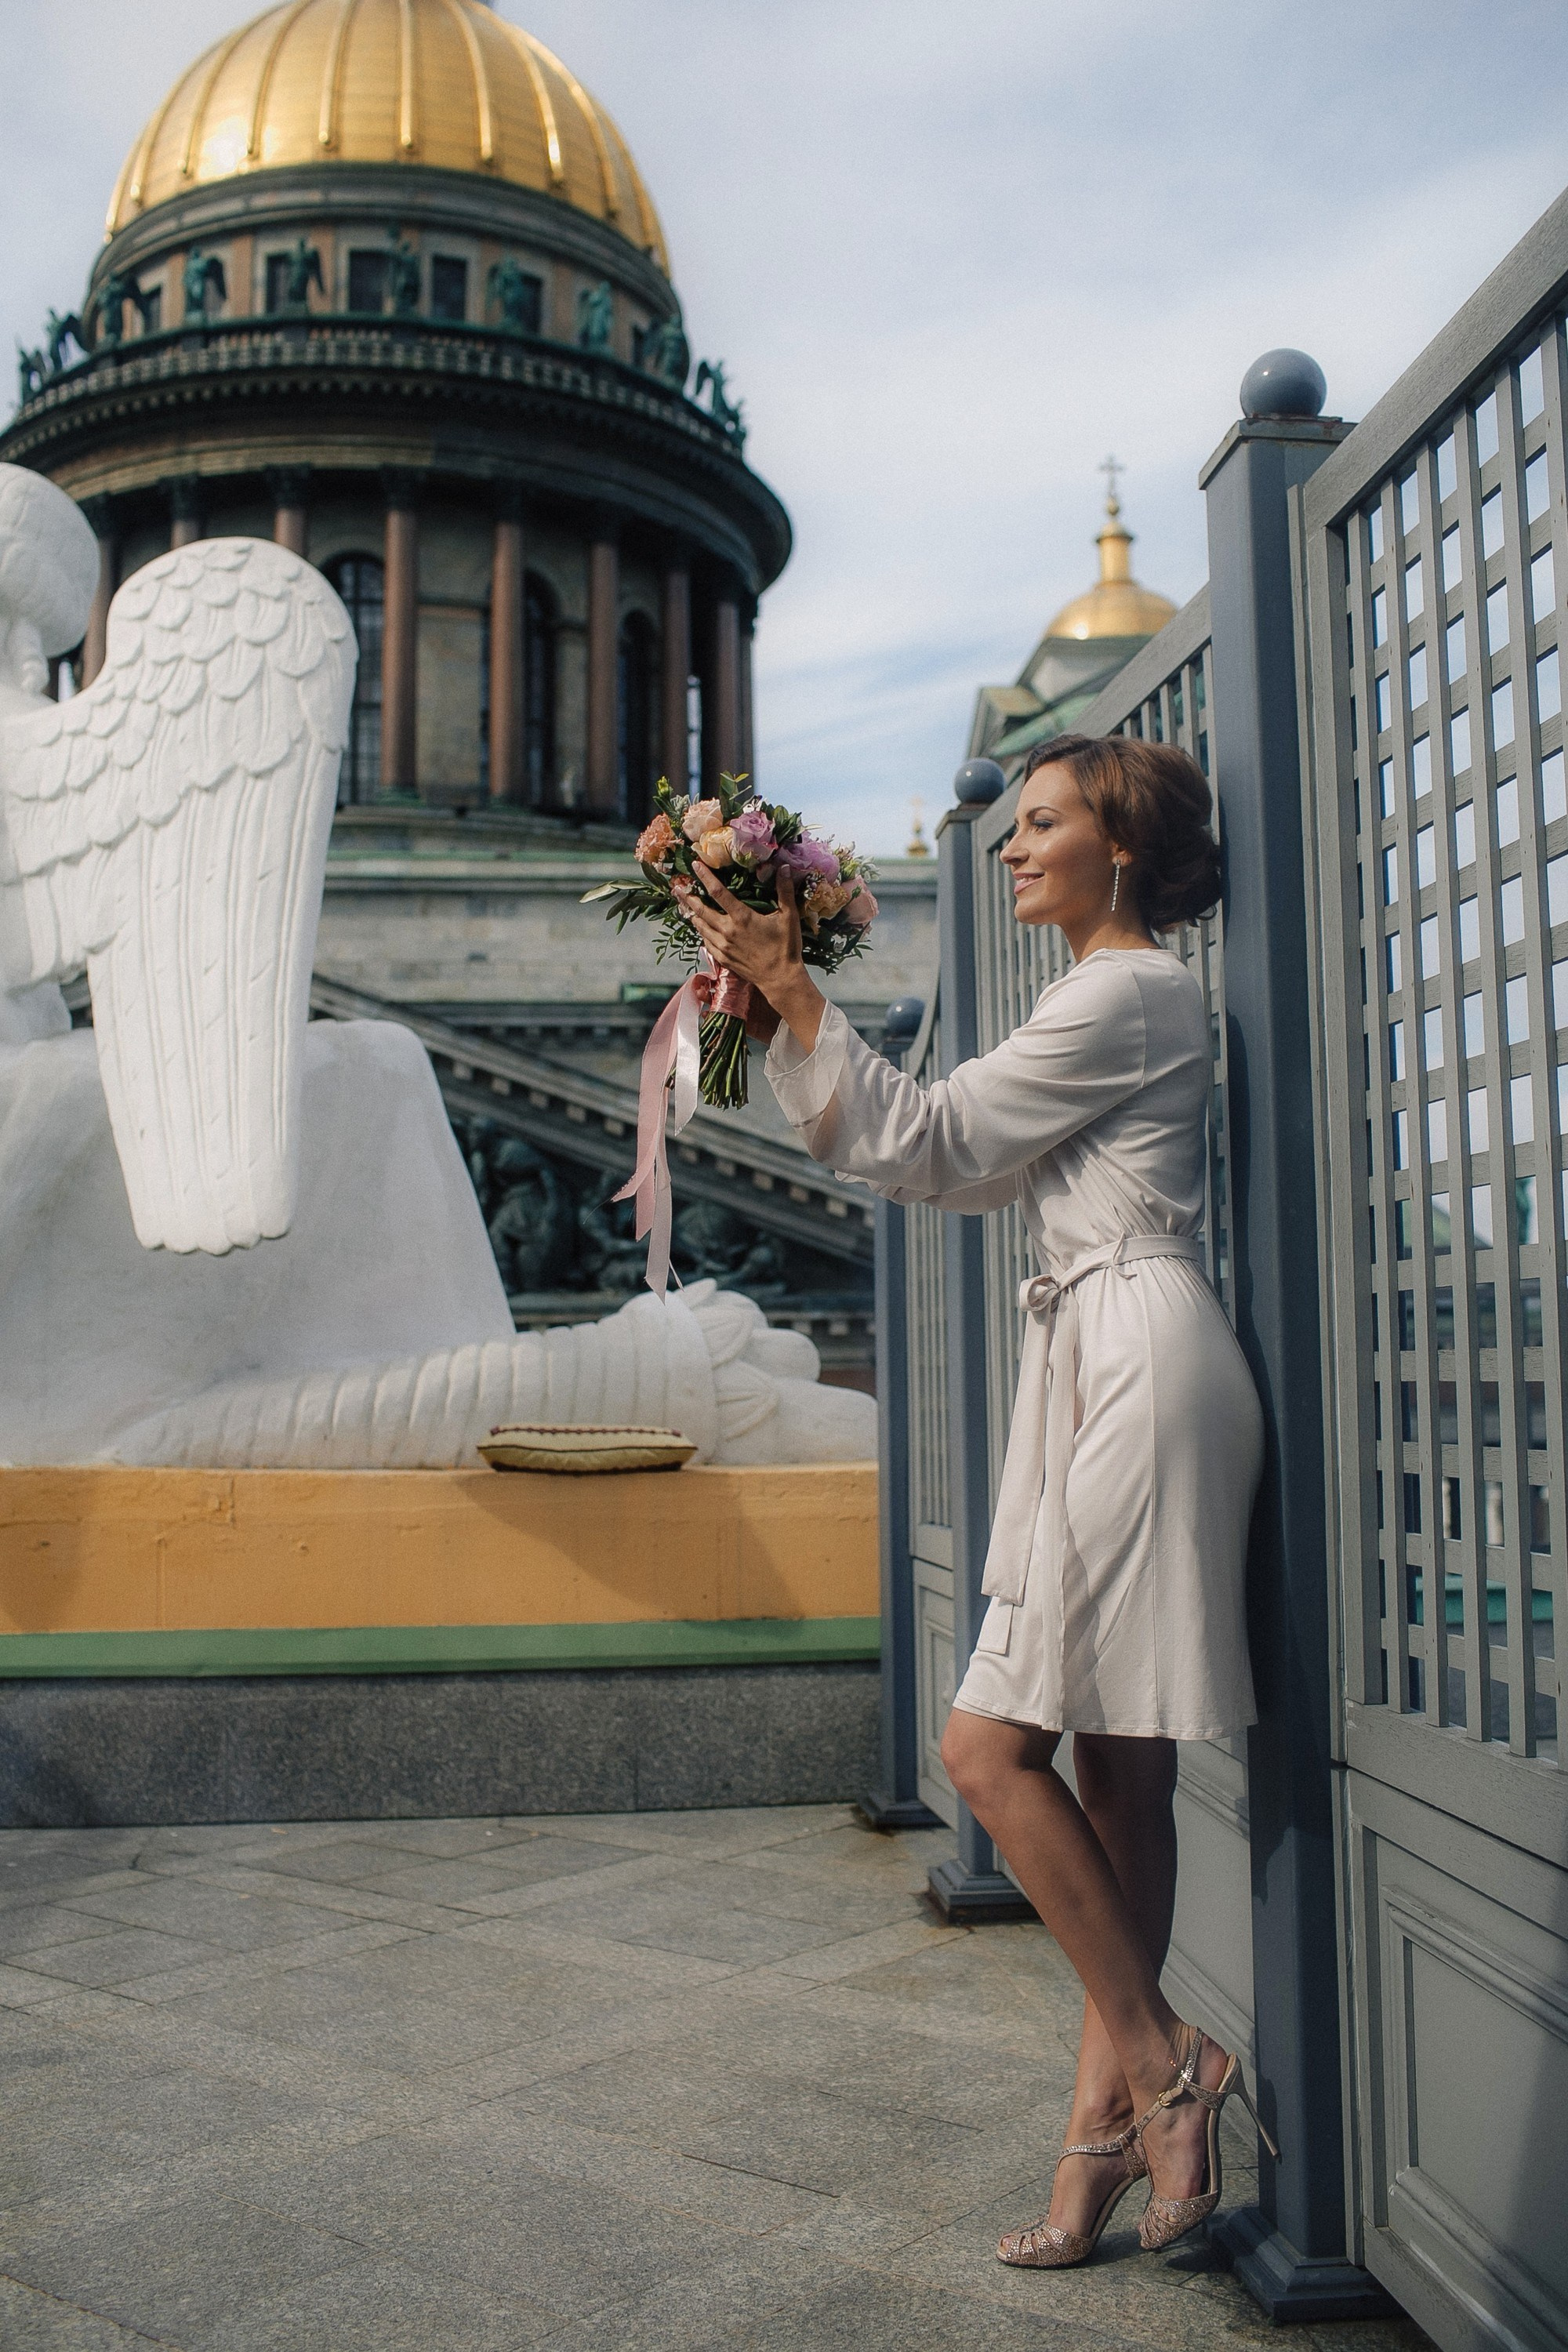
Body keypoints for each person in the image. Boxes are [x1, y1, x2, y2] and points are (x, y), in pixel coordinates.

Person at [676, 732, 1271, 2270]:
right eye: (1009, 827)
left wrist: (798, 993)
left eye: (1043, 823)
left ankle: (1164, 2066)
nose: (1011, 849)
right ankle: (1096, 2150)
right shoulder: (1105, 995)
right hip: (1109, 1351)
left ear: (1120, 848)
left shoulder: (1124, 991)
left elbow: (931, 1145)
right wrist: (791, 1002)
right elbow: (963, 1152)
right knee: (1120, 1777)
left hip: (1132, 1361)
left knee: (982, 1750)